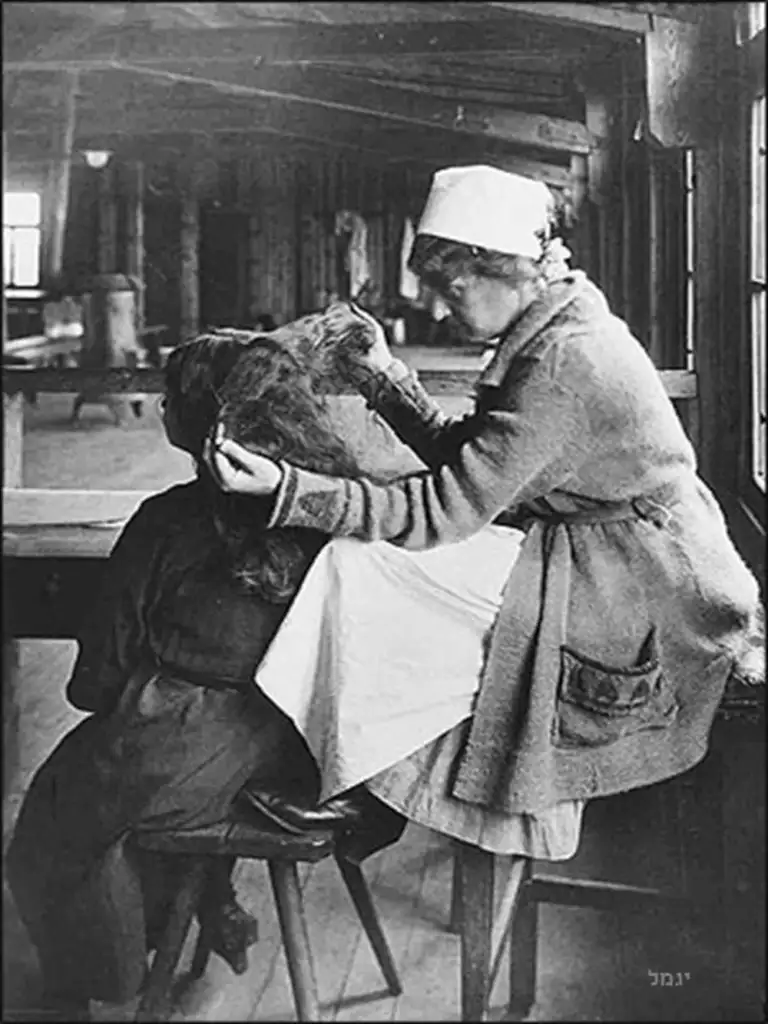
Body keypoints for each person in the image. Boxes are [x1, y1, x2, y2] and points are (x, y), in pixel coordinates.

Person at [206, 165, 764, 831]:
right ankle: (366, 770)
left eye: (451, 288)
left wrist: (289, 490)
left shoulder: (564, 363)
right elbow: (478, 462)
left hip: (644, 582)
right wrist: (385, 378)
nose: (442, 308)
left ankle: (361, 782)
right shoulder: (557, 326)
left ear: (499, 268)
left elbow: (445, 509)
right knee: (381, 565)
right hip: (614, 548)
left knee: (360, 564)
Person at [5, 330, 403, 1022]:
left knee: (53, 824)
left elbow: (99, 674)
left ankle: (88, 984)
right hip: (307, 760)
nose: (160, 408)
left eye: (170, 399)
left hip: (189, 740)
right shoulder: (339, 510)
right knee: (141, 792)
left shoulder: (166, 521)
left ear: (206, 423)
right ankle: (210, 903)